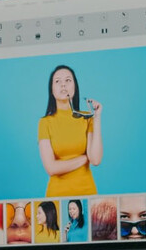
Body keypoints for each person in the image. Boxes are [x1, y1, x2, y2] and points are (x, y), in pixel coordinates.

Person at [37, 65, 103, 196]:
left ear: (75, 87)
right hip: (57, 194)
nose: (63, 85)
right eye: (57, 81)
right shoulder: (45, 123)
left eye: (68, 80)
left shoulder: (86, 118)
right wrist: (84, 159)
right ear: (52, 90)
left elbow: (95, 159)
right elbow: (51, 168)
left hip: (87, 192)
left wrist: (97, 117)